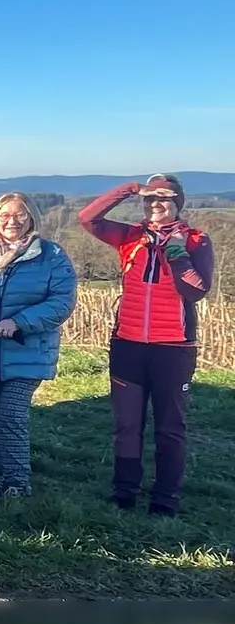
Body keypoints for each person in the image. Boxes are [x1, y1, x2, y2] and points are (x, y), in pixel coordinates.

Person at [79, 174, 214, 516]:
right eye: (150, 198)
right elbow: (88, 218)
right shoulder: (130, 237)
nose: (156, 204)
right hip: (128, 345)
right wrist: (130, 188)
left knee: (170, 427)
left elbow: (196, 290)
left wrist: (177, 253)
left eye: (164, 198)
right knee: (127, 425)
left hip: (174, 349)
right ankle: (124, 492)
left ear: (177, 203)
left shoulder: (196, 240)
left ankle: (165, 498)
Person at [0, 193, 76, 498]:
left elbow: (62, 301)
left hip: (27, 352)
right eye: (5, 215)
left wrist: (20, 322)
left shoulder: (51, 255)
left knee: (10, 415)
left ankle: (18, 483)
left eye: (20, 215)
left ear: (31, 217)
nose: (12, 221)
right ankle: (2, 477)